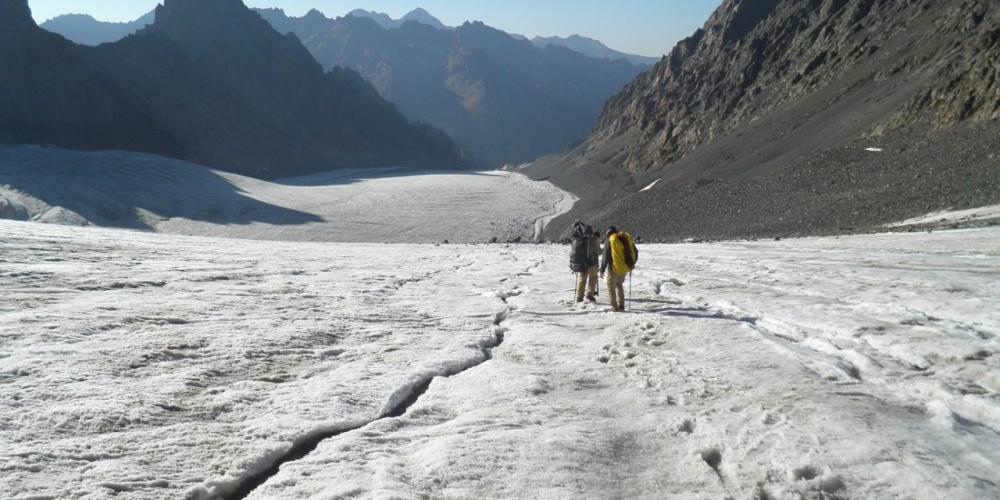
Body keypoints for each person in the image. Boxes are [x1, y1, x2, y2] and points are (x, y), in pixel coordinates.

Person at [600, 226, 638, 312]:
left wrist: (602, 270)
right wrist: (632, 265)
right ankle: (621, 305)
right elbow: (635, 252)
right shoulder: (624, 239)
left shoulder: (610, 241)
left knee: (611, 287)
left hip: (614, 268)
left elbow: (605, 257)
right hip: (624, 269)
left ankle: (614, 307)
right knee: (619, 286)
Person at [569, 221, 601, 303]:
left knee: (582, 280)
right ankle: (589, 295)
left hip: (582, 263)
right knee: (593, 278)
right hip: (591, 263)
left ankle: (579, 297)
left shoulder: (577, 240)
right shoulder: (593, 240)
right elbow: (598, 251)